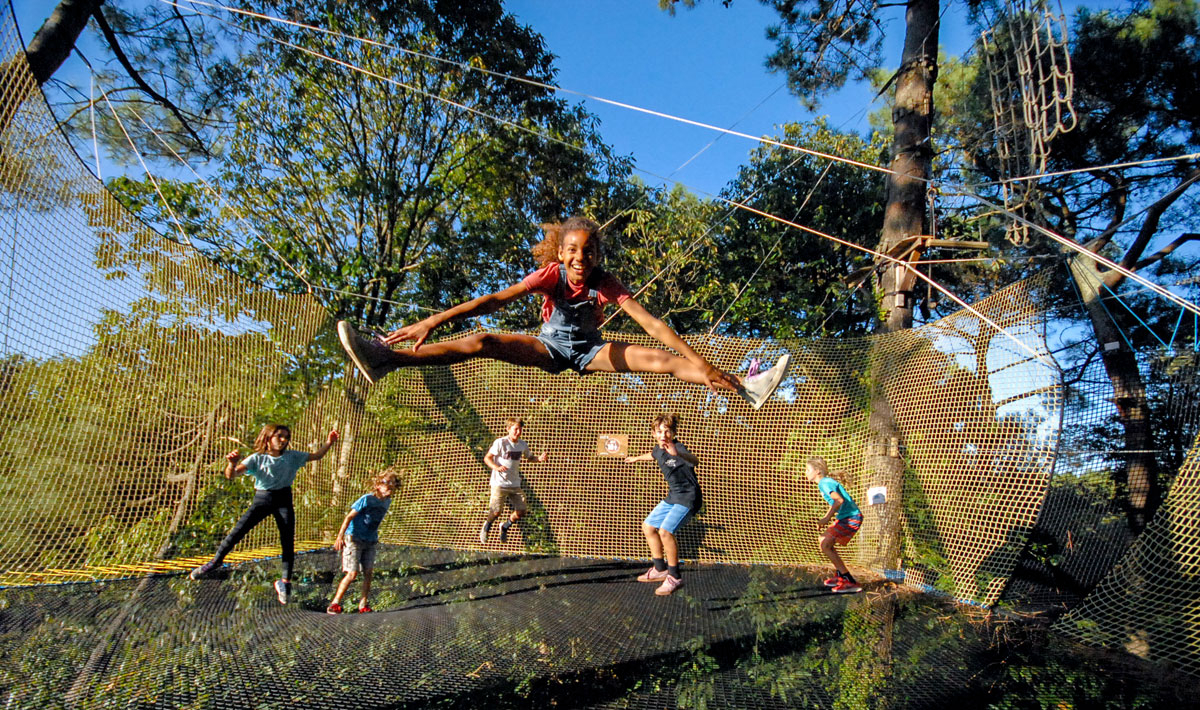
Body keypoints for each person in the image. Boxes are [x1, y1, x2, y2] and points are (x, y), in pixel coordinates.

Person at [336, 217, 789, 409]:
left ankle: (743, 386)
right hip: (550, 348)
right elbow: (491, 301)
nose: (579, 258)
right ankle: (385, 358)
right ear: (561, 251)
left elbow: (650, 323)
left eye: (588, 252)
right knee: (485, 341)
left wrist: (703, 363)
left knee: (663, 361)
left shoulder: (605, 283)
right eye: (572, 250)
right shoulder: (550, 275)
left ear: (596, 256)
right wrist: (435, 319)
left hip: (590, 351)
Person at [189, 424, 339, 605]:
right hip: (263, 499)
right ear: (268, 438)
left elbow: (317, 456)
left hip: (283, 498)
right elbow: (231, 475)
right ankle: (215, 562)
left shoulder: (292, 457)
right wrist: (232, 463)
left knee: (287, 539)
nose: (283, 440)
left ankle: (285, 582)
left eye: (286, 437)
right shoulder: (257, 458)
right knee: (237, 532)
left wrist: (329, 443)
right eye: (279, 436)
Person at [624, 413, 701, 596]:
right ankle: (660, 569)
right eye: (659, 431)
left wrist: (678, 453)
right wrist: (635, 458)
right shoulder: (658, 450)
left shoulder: (679, 448)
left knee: (665, 531)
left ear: (673, 433)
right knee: (648, 527)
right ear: (654, 434)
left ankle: (674, 577)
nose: (663, 435)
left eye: (667, 431)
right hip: (673, 496)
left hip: (689, 497)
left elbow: (694, 460)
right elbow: (653, 455)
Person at [327, 469, 400, 614]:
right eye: (387, 484)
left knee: (368, 572)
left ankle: (363, 604)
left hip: (370, 540)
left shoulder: (388, 502)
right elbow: (349, 517)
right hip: (354, 538)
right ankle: (334, 603)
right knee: (352, 573)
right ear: (378, 485)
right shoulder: (366, 499)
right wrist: (340, 536)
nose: (390, 488)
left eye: (393, 485)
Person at [479, 417, 548, 545]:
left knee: (522, 511)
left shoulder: (522, 444)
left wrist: (539, 459)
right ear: (508, 429)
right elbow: (487, 458)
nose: (518, 432)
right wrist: (496, 467)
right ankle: (487, 526)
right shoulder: (500, 442)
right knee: (496, 511)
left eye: (520, 429)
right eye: (515, 429)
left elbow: (530, 458)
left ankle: (505, 526)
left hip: (515, 484)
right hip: (499, 483)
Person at [805, 456, 863, 594]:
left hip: (851, 517)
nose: (805, 473)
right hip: (846, 516)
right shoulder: (825, 483)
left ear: (818, 471)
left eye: (808, 470)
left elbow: (838, 500)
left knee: (825, 544)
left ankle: (849, 581)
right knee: (824, 542)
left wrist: (826, 518)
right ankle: (841, 576)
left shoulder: (824, 483)